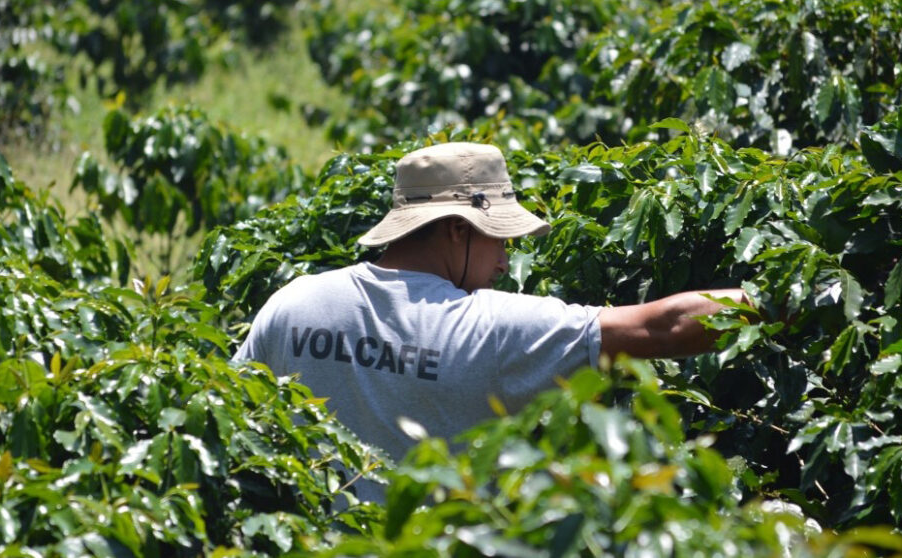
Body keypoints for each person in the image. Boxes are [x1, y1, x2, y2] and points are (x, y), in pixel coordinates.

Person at [234, 142, 747, 502]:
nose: (503, 262)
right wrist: (792, 299)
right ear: (458, 230)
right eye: (498, 239)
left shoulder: (292, 304)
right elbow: (663, 328)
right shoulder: (490, 329)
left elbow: (236, 422)